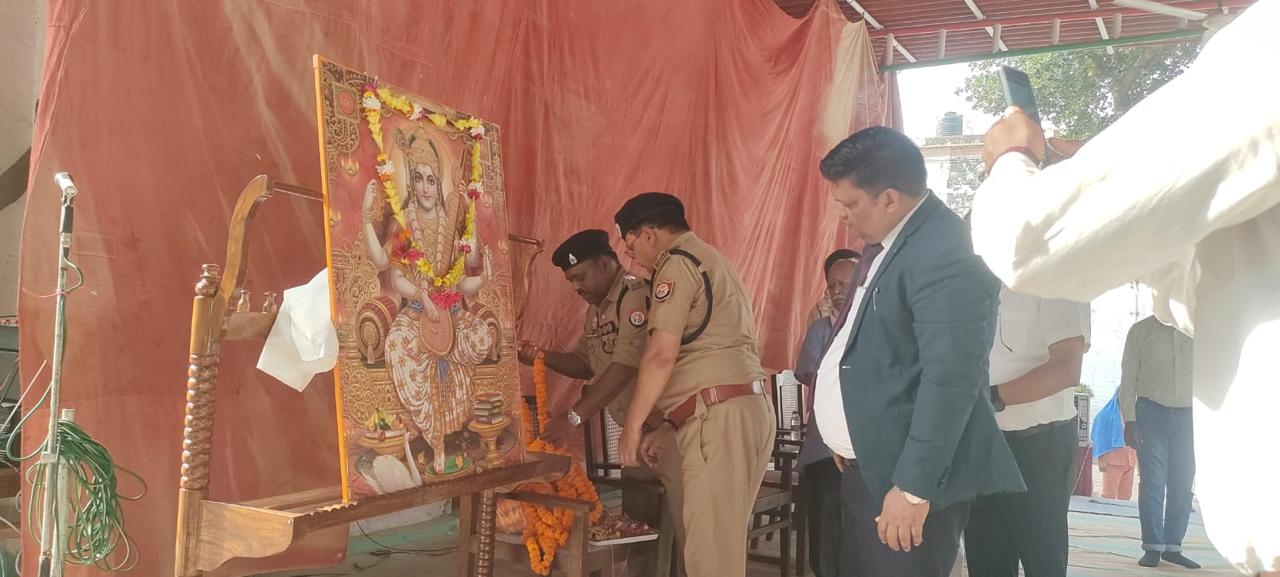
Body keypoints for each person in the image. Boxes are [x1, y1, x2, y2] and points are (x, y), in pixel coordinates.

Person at [970, 1, 1279, 572]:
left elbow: (1029, 243)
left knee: (1041, 551)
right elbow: (1207, 287)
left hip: (1038, 436)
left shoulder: (1266, 49)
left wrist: (1010, 162)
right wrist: (1115, 205)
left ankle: (1163, 546)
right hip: (996, 436)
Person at [815, 127, 1025, 577]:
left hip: (905, 479)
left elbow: (951, 379)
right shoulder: (891, 243)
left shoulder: (945, 251)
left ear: (890, 198)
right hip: (872, 463)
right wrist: (850, 432)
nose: (841, 215)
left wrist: (913, 488)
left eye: (850, 204)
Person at [612, 192, 775, 577]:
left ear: (649, 235)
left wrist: (632, 427)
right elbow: (709, 352)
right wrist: (672, 423)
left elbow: (660, 354)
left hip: (718, 421)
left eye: (631, 246)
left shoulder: (677, 264)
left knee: (710, 559)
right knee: (719, 550)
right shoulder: (710, 259)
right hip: (736, 410)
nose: (633, 258)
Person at [515, 229, 683, 566]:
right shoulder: (597, 311)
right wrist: (541, 357)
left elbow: (625, 365)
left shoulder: (633, 296)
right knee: (642, 532)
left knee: (685, 530)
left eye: (580, 277)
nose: (576, 288)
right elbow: (585, 363)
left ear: (605, 264)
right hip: (637, 437)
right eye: (570, 281)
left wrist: (574, 416)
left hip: (668, 430)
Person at [360, 127, 491, 477]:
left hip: (450, 310)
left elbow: (461, 278)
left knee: (479, 337)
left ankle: (454, 434)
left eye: (432, 180)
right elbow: (391, 272)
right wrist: (366, 216)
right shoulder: (403, 224)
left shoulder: (451, 227)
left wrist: (482, 277)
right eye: (418, 179)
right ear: (411, 184)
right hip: (418, 311)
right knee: (397, 345)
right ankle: (430, 440)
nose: (426, 188)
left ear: (438, 184)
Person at [965, 281, 1090, 577]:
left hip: (1039, 446)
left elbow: (1067, 368)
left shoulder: (1055, 273)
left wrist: (989, 398)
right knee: (985, 560)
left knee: (1043, 560)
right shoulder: (973, 276)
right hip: (982, 442)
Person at [795, 248, 859, 577]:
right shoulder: (821, 328)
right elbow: (812, 377)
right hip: (825, 450)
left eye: (845, 283)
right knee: (826, 542)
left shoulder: (877, 324)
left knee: (859, 542)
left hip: (866, 451)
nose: (837, 291)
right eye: (832, 285)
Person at [1120, 315, 1198, 569]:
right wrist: (1129, 420)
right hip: (1150, 414)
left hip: (1190, 416)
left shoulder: (1200, 328)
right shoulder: (1140, 330)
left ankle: (1173, 546)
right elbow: (1128, 378)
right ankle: (1152, 547)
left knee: (1182, 483)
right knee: (1153, 481)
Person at [1092, 391, 1137, 501]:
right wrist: (1101, 460)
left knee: (1126, 497)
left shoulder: (1134, 416)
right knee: (1109, 495)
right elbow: (1099, 436)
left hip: (1130, 462)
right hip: (1112, 462)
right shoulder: (1106, 415)